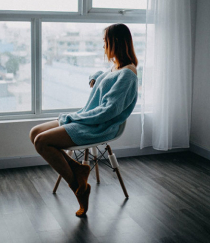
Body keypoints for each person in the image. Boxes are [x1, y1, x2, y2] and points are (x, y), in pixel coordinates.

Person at [29, 23, 138, 217]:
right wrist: (94, 77)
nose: (103, 46)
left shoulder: (128, 74)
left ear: (116, 42)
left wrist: (74, 118)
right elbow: (104, 76)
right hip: (89, 119)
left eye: (105, 41)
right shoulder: (116, 67)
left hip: (99, 126)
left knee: (41, 141)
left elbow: (108, 111)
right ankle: (78, 171)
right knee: (35, 132)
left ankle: (78, 188)